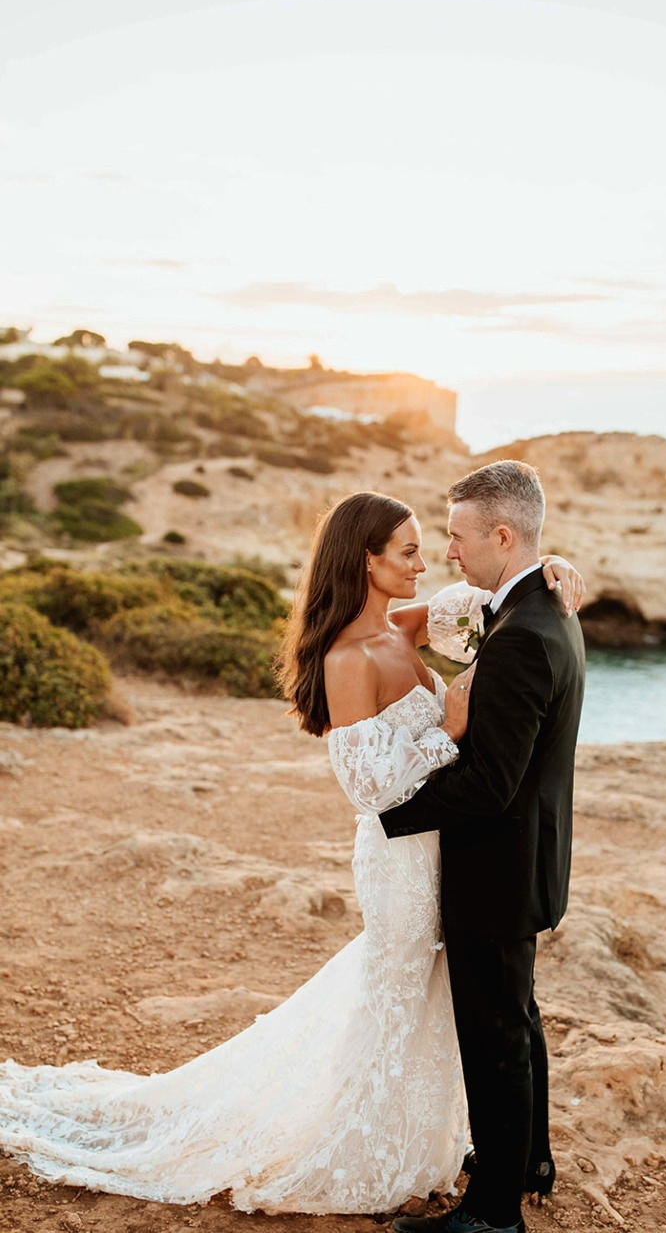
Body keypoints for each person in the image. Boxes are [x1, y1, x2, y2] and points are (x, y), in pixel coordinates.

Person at [0, 489, 583, 1217]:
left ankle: (436, 1141)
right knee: (396, 993)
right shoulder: (347, 656)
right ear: (367, 562)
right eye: (408, 550)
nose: (428, 560)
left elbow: (488, 601)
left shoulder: (406, 620)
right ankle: (356, 1143)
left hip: (445, 847)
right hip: (401, 856)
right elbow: (367, 787)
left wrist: (547, 562)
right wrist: (450, 728)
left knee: (444, 1002)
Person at [381, 462, 586, 1233]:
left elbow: (490, 783)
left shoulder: (525, 634)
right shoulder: (544, 605)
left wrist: (391, 809)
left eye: (460, 537)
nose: (451, 553)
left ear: (503, 535)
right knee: (518, 1015)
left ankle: (495, 1213)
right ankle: (527, 1156)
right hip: (526, 858)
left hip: (497, 868)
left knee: (495, 1033)